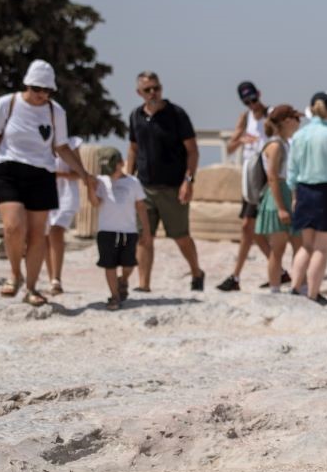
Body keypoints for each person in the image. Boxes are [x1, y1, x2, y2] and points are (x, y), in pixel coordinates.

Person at [0, 61, 97, 306]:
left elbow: (61, 146)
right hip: (8, 169)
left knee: (39, 234)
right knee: (13, 226)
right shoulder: (8, 103)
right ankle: (15, 273)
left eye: (47, 90)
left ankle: (32, 287)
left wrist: (83, 174)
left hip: (42, 173)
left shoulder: (55, 111)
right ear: (27, 84)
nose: (42, 94)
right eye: (38, 88)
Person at [125, 70, 205, 293]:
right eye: (147, 90)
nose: (153, 93)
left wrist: (188, 180)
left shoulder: (176, 114)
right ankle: (143, 285)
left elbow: (192, 151)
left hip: (173, 188)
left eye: (156, 88)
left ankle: (197, 272)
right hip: (144, 188)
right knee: (144, 237)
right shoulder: (135, 116)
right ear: (139, 93)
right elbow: (133, 149)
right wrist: (128, 180)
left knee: (180, 236)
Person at [285, 92, 327, 305]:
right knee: (322, 247)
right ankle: (313, 294)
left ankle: (295, 288)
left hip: (304, 191)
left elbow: (291, 170)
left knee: (305, 245)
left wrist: (295, 193)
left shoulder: (300, 134)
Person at [219, 81, 274, 291]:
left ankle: (275, 270)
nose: (251, 104)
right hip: (251, 176)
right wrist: (242, 139)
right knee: (248, 228)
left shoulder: (271, 114)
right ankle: (238, 275)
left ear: (259, 94)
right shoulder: (245, 118)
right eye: (247, 101)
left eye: (253, 99)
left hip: (268, 175)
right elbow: (231, 146)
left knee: (259, 229)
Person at [91, 147, 145, 310]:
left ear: (121, 163)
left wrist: (146, 231)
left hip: (129, 231)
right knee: (110, 265)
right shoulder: (101, 181)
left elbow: (141, 206)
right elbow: (95, 203)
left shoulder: (133, 182)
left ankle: (123, 281)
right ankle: (114, 296)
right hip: (106, 231)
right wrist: (89, 187)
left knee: (129, 264)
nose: (110, 172)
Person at [254, 104, 302, 291]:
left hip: (287, 191)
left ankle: (299, 285)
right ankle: (275, 287)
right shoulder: (275, 145)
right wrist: (281, 207)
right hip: (278, 195)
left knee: (299, 244)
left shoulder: (286, 143)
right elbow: (272, 176)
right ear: (287, 121)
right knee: (278, 248)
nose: (299, 123)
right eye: (296, 119)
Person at [43, 135, 86, 296]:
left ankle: (56, 279)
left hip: (66, 194)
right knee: (45, 237)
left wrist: (58, 175)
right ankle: (52, 280)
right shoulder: (38, 139)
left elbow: (78, 172)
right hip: (44, 193)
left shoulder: (72, 143)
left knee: (55, 232)